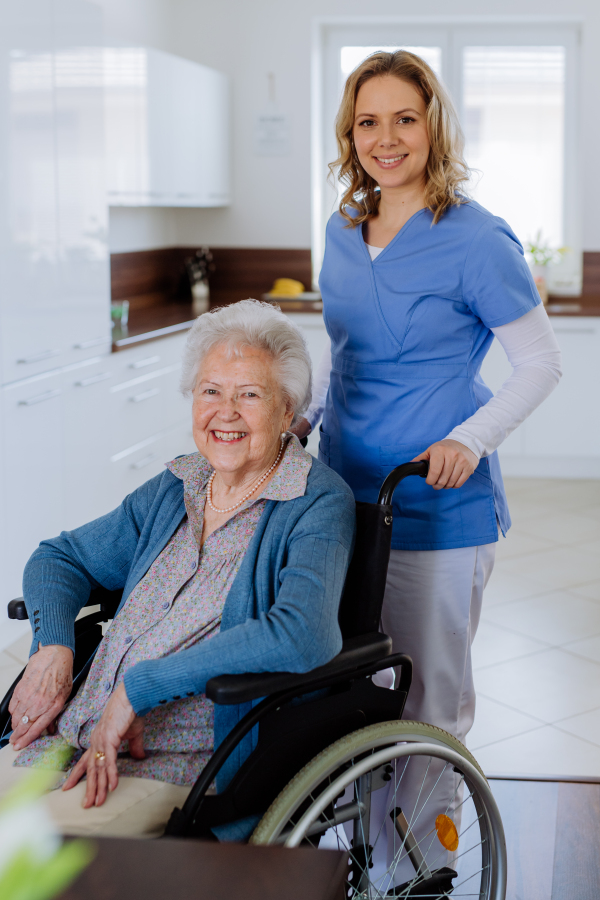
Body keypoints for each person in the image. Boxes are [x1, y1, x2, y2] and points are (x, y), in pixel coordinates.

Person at [293, 50, 562, 876]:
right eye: (368, 121)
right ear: (350, 134)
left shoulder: (476, 240)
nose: (386, 137)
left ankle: (424, 870)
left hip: (434, 506)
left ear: (434, 125)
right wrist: (306, 419)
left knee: (427, 697)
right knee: (356, 692)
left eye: (404, 118)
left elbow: (541, 364)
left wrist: (468, 440)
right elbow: (350, 360)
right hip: (341, 498)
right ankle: (365, 860)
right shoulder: (342, 233)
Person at [0, 299, 356, 838]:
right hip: (72, 731)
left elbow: (304, 632)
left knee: (23, 852)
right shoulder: (178, 485)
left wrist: (139, 689)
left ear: (288, 412)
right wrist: (53, 647)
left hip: (181, 755)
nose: (226, 412)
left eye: (250, 395)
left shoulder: (315, 501)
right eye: (211, 391)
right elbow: (60, 557)